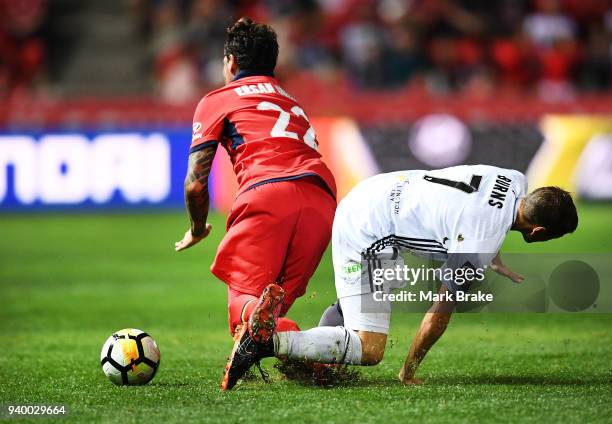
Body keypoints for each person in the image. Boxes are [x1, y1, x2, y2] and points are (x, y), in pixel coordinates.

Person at [223, 164, 578, 389]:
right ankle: (266, 343)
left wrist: (492, 255)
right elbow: (438, 315)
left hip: (374, 192)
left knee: (381, 290)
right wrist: (408, 369)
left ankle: (314, 362)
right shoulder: (478, 244)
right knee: (370, 349)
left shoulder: (515, 178)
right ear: (539, 232)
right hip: (368, 230)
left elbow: (487, 213)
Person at [172, 18, 337, 390]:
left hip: (267, 191)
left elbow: (196, 184)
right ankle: (310, 356)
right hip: (322, 199)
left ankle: (286, 338)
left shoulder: (218, 99)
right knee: (271, 309)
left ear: (230, 62)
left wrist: (198, 229)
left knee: (243, 308)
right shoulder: (290, 100)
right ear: (272, 63)